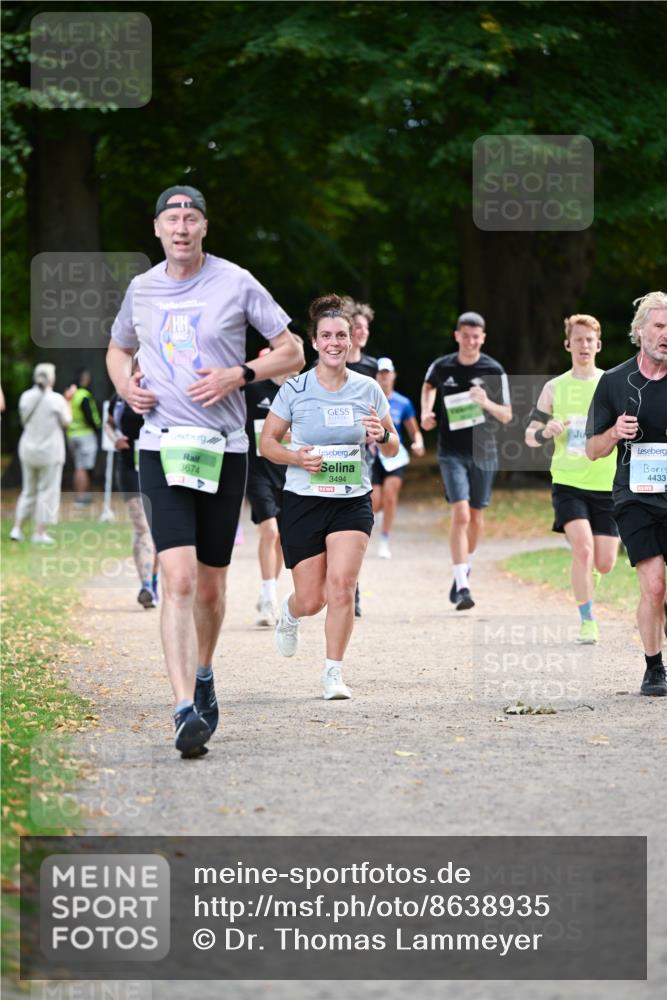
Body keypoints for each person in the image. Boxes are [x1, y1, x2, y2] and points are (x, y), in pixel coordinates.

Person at [106, 184, 304, 757]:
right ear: (158, 229)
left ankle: (205, 672)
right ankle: (182, 709)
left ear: (204, 228)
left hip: (223, 450)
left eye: (191, 217)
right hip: (160, 446)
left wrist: (239, 375)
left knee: (212, 590)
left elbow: (291, 351)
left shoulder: (236, 281)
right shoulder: (141, 290)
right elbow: (118, 349)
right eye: (173, 218)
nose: (182, 226)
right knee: (180, 580)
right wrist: (126, 385)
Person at [260, 294, 399, 700]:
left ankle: (332, 673)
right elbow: (268, 443)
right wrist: (295, 457)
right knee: (313, 598)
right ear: (315, 342)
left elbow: (392, 448)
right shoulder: (295, 389)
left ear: (353, 339)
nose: (335, 342)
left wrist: (384, 436)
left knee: (342, 587)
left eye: (342, 334)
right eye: (327, 335)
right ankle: (289, 613)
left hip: (352, 500)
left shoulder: (368, 389)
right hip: (304, 499)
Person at [586, 291, 667, 696]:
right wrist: (614, 432)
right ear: (640, 331)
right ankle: (654, 667)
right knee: (653, 586)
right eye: (660, 325)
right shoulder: (614, 381)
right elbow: (592, 450)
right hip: (635, 496)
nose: (666, 334)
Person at [526, 315, 619, 643]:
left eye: (589, 340)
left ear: (599, 345)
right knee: (582, 550)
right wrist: (545, 431)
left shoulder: (612, 383)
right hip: (568, 482)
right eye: (577, 339)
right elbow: (529, 435)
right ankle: (587, 620)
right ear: (568, 344)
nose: (583, 345)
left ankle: (592, 572)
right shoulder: (554, 387)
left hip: (607, 484)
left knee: (605, 562)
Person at [421, 311, 512, 610]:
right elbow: (428, 386)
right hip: (451, 452)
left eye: (476, 336)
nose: (471, 341)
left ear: (483, 338)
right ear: (457, 336)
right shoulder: (442, 365)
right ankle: (462, 587)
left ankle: (465, 566)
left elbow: (507, 414)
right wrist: (426, 412)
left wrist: (485, 402)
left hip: (484, 452)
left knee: (475, 517)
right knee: (460, 514)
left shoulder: (493, 369)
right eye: (466, 335)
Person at [245, 343, 303, 627]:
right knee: (269, 531)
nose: (294, 371)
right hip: (256, 472)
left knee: (281, 537)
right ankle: (268, 599)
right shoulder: (254, 389)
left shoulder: (298, 394)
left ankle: (267, 590)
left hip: (288, 472)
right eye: (290, 365)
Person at [105, 390, 159, 609]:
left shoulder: (161, 387)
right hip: (128, 465)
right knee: (142, 527)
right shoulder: (118, 396)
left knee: (158, 528)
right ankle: (146, 585)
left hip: (158, 464)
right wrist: (115, 438)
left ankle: (153, 583)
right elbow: (108, 423)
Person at [11, 363, 74, 543]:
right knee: (47, 491)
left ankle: (17, 528)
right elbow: (67, 421)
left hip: (27, 449)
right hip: (50, 452)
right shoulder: (56, 400)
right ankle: (39, 532)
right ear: (51, 378)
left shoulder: (25, 397)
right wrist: (68, 401)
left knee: (28, 490)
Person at [372, 356, 425, 558]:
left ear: (393, 375)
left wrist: (418, 443)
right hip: (373, 455)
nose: (384, 378)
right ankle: (378, 516)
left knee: (390, 496)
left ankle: (385, 540)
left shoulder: (403, 402)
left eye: (387, 374)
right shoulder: (368, 400)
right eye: (380, 374)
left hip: (394, 455)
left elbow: (414, 430)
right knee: (375, 501)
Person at [346, 300, 378, 615]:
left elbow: (377, 409)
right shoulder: (329, 367)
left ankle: (352, 587)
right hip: (333, 450)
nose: (360, 333)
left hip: (362, 454)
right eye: (356, 328)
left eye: (364, 328)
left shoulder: (371, 368)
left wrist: (374, 431)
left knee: (355, 520)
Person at [67, 368, 101, 506]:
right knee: (84, 467)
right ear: (85, 378)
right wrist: (96, 428)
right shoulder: (83, 395)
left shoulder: (71, 394)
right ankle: (82, 497)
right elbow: (89, 416)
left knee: (78, 466)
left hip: (71, 434)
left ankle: (81, 495)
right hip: (85, 434)